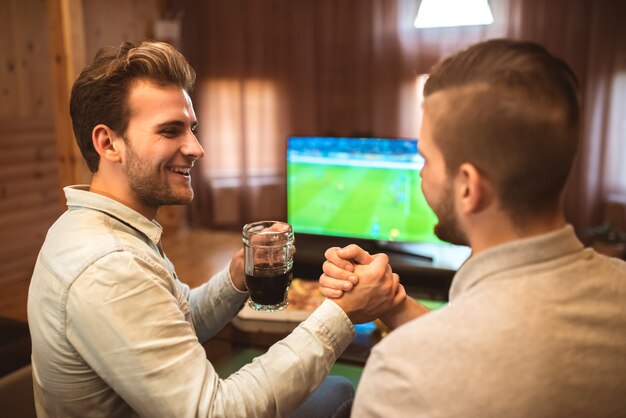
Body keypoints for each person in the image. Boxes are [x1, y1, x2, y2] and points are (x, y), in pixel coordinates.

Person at [27, 40, 404, 418]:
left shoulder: (90, 228)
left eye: (191, 128)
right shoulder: (110, 266)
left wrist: (238, 276)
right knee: (339, 390)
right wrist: (340, 313)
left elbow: (177, 319)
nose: (196, 147)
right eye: (170, 131)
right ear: (108, 143)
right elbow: (214, 412)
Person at [320, 39, 626, 417]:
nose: (420, 173)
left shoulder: (401, 372)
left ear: (468, 187)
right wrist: (394, 304)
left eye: (426, 158)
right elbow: (504, 350)